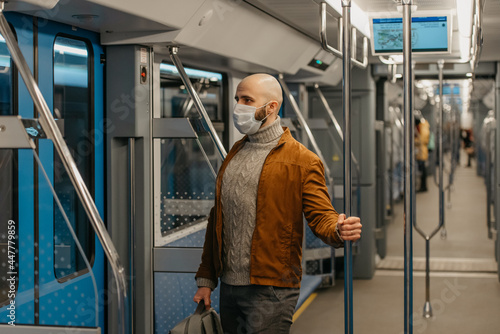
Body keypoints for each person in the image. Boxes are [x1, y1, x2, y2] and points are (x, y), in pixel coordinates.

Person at [193, 73, 362, 334]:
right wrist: (206, 278)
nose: (239, 106)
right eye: (237, 99)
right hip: (229, 286)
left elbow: (321, 216)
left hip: (272, 287)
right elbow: (218, 220)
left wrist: (338, 229)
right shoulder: (235, 154)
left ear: (271, 107)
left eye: (247, 99)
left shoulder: (303, 160)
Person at [415, 114, 430, 192]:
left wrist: (414, 141)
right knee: (422, 169)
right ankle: (422, 186)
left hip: (422, 151)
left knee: (422, 170)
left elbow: (422, 140)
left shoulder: (423, 127)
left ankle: (423, 186)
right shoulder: (424, 126)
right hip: (421, 151)